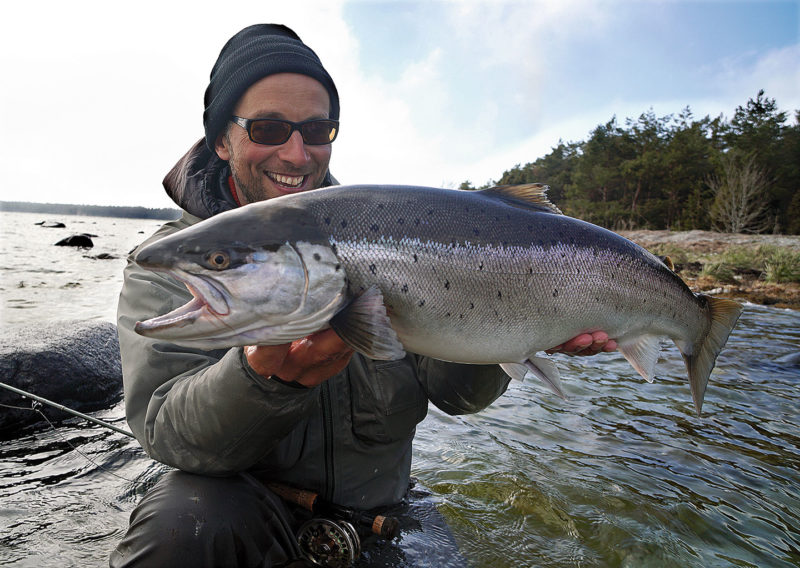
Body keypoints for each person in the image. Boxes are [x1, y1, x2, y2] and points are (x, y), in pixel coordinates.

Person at [111, 23, 616, 568]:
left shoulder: (385, 232)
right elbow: (168, 432)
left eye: (317, 130)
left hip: (385, 516)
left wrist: (522, 330)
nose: (296, 154)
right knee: (177, 527)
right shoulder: (171, 266)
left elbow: (458, 398)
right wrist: (266, 378)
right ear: (221, 140)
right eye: (268, 128)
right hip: (243, 515)